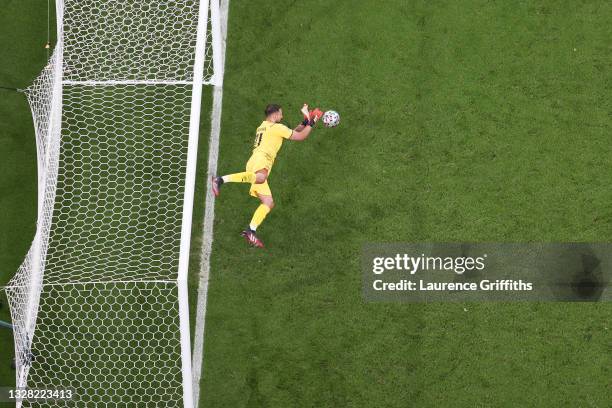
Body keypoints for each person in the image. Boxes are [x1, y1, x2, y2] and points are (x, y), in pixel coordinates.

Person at [212, 103, 323, 247]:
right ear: (275, 114)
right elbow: (300, 136)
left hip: (254, 160)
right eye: (281, 114)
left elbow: (291, 132)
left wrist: (305, 121)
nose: (282, 116)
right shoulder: (276, 127)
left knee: (268, 203)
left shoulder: (264, 126)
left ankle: (250, 230)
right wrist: (312, 123)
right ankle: (220, 180)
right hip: (261, 160)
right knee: (261, 178)